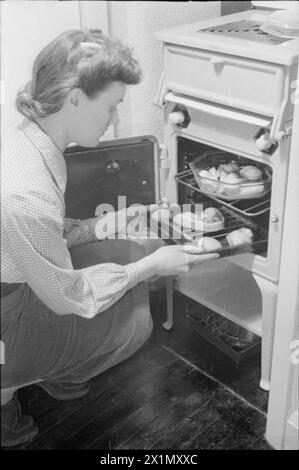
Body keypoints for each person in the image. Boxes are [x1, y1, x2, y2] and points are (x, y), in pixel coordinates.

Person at [1, 29, 218, 447]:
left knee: (123, 255)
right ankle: (12, 384)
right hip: (4, 322)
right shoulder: (22, 190)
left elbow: (44, 238)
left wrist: (108, 223)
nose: (115, 118)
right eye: (113, 106)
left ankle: (52, 366)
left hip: (18, 282)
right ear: (76, 99)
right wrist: (150, 267)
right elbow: (68, 297)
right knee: (135, 322)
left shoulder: (29, 140)